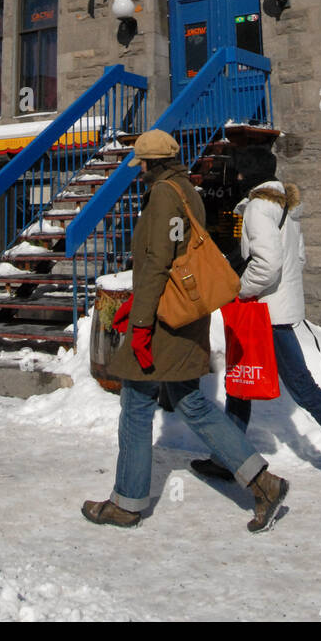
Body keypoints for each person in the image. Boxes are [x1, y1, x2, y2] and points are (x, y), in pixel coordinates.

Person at [82, 129, 289, 534]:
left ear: (153, 163)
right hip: (185, 314)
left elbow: (158, 261)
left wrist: (140, 322)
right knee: (192, 404)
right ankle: (263, 482)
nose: (137, 170)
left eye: (141, 163)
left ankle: (126, 503)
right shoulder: (186, 190)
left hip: (162, 321)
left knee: (137, 408)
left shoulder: (162, 195)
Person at [192, 145, 321, 506]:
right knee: (240, 383)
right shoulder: (285, 207)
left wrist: (241, 290)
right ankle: (229, 458)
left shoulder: (256, 208)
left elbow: (267, 264)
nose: (234, 178)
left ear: (245, 176)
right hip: (279, 311)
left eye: (237, 173)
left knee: (305, 391)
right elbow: (297, 258)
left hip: (264, 314)